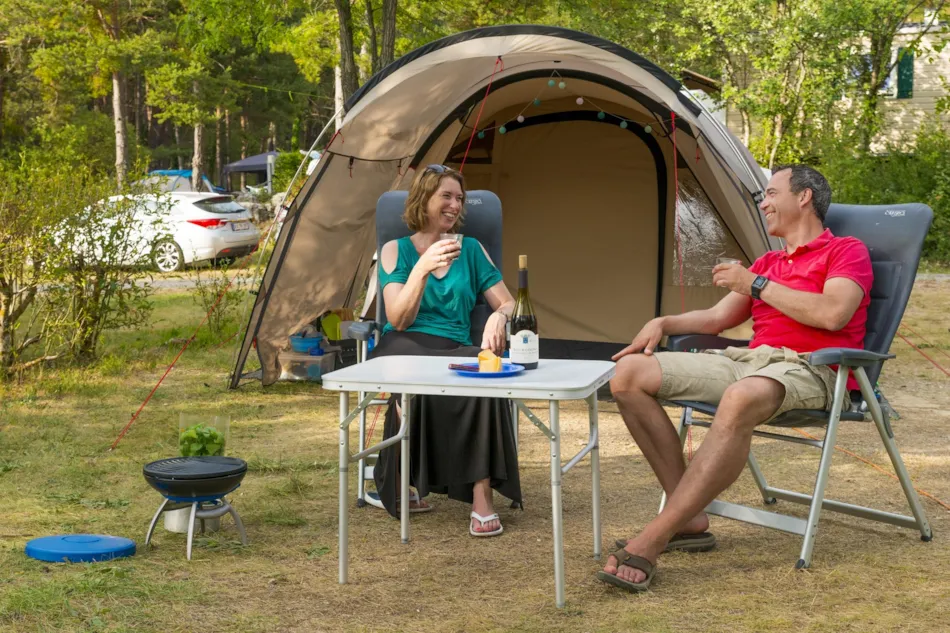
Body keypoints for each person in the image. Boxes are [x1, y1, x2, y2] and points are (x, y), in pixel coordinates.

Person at [598, 164, 873, 591]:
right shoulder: (768, 262)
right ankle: (687, 516)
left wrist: (756, 284)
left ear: (804, 197)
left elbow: (833, 315)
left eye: (770, 193)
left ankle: (654, 537)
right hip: (749, 361)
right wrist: (663, 321)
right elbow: (716, 319)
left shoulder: (846, 251)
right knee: (629, 373)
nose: (762, 203)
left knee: (740, 398)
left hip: (811, 367)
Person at [370, 164, 521, 537]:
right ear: (424, 200)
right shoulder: (396, 251)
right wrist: (422, 268)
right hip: (405, 343)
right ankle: (413, 477)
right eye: (447, 197)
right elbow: (398, 319)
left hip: (452, 345)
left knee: (485, 371)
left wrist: (498, 318)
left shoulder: (471, 250)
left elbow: (510, 304)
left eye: (460, 198)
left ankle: (481, 496)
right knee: (414, 368)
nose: (455, 205)